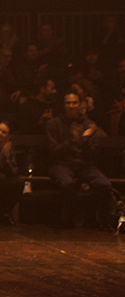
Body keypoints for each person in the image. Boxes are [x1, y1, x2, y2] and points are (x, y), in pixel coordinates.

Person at [46, 92, 114, 228]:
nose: (71, 106)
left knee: (105, 184)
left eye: (74, 103)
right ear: (63, 105)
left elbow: (94, 155)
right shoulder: (53, 124)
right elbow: (53, 152)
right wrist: (71, 141)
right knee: (67, 183)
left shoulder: (89, 125)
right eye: (68, 103)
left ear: (80, 105)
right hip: (62, 164)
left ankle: (82, 206)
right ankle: (76, 213)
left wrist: (85, 141)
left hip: (84, 165)